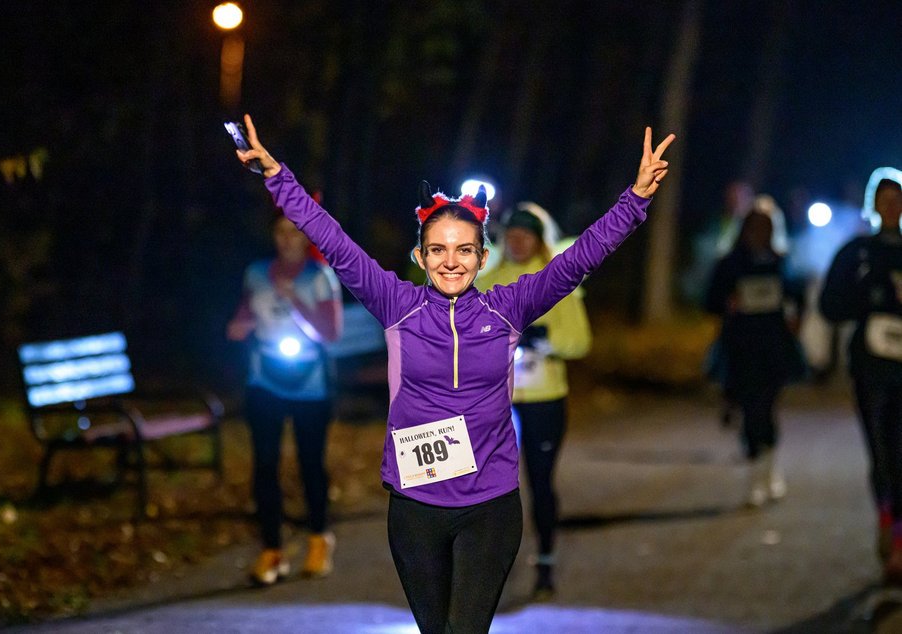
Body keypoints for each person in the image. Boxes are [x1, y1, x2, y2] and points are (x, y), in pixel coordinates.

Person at [233, 113, 673, 633]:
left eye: (464, 250)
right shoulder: (396, 305)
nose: (450, 262)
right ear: (421, 256)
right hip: (416, 509)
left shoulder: (508, 308)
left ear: (481, 257)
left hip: (489, 505)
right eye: (438, 250)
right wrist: (276, 177)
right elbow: (334, 243)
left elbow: (577, 261)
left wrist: (636, 200)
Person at [475, 202, 591, 599]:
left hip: (545, 397)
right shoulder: (490, 281)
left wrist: (547, 341)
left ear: (539, 240)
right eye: (513, 236)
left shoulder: (557, 281)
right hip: (497, 401)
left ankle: (544, 561)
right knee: (492, 485)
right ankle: (490, 564)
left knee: (540, 481)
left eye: (527, 236)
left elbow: (580, 342)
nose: (519, 242)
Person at [226, 213, 343, 585]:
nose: (286, 239)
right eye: (280, 232)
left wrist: (294, 298)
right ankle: (271, 550)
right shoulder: (256, 273)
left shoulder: (319, 276)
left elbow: (331, 332)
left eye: (294, 233)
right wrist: (239, 326)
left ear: (305, 238)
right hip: (265, 378)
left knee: (310, 464)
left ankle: (319, 537)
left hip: (310, 381)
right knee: (265, 465)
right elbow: (243, 316)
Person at [819, 177, 902, 583]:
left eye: (897, 201)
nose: (890, 208)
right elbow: (830, 305)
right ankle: (886, 512)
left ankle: (899, 540)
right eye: (884, 201)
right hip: (871, 368)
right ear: (874, 206)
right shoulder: (858, 253)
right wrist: (868, 301)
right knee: (881, 450)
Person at [704, 205, 805, 508]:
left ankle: (768, 468)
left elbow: (798, 297)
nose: (760, 234)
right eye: (755, 227)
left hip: (774, 347)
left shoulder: (781, 263)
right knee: (750, 408)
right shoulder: (730, 264)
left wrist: (794, 318)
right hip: (742, 348)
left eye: (766, 228)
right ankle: (755, 475)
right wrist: (729, 303)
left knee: (767, 406)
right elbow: (710, 301)